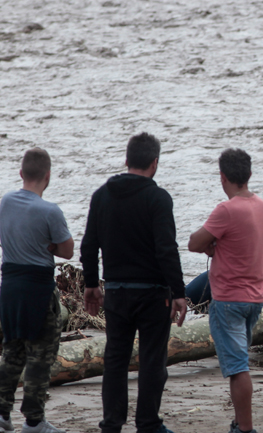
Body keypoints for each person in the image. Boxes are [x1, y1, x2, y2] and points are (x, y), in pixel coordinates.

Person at [80, 132, 186, 433]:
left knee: (115, 359)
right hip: (153, 294)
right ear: (155, 163)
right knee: (153, 361)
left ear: (126, 160)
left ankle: (112, 423)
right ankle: (148, 423)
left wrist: (91, 284)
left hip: (116, 292)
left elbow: (89, 245)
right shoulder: (158, 198)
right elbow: (166, 249)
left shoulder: (101, 195)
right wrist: (178, 293)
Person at [188, 148, 263, 433]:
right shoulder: (260, 205)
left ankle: (245, 428)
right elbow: (241, 244)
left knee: (237, 368)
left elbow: (194, 242)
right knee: (240, 361)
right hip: (255, 298)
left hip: (229, 300)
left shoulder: (227, 209)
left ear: (223, 177)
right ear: (248, 174)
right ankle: (239, 422)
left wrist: (212, 244)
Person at [0, 148, 73, 433]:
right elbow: (67, 251)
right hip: (38, 287)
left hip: (10, 286)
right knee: (40, 356)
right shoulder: (50, 211)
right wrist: (51, 245)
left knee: (12, 351)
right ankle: (33, 420)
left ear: (21, 174)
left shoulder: (5, 202)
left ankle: (2, 413)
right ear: (48, 176)